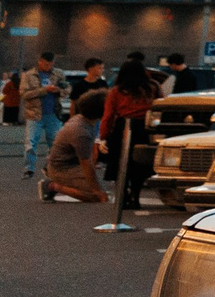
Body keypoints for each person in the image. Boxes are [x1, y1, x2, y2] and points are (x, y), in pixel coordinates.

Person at [99, 54, 161, 184]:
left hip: (123, 127)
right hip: (145, 128)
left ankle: (123, 193)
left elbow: (108, 115)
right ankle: (135, 194)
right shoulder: (152, 87)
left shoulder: (116, 91)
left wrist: (104, 135)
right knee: (141, 164)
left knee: (120, 162)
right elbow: (160, 106)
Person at [43, 91, 111, 203]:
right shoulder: (81, 131)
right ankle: (52, 186)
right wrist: (97, 191)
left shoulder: (81, 119)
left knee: (96, 188)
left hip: (66, 165)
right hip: (62, 169)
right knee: (96, 196)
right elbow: (86, 164)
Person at [16, 52, 63, 179]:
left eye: (51, 63)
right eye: (46, 63)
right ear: (40, 62)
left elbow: (67, 89)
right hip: (34, 114)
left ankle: (50, 167)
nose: (49, 66)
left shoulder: (58, 74)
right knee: (30, 143)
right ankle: (28, 169)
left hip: (53, 113)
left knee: (55, 144)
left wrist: (59, 90)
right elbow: (24, 94)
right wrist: (44, 90)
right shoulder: (29, 75)